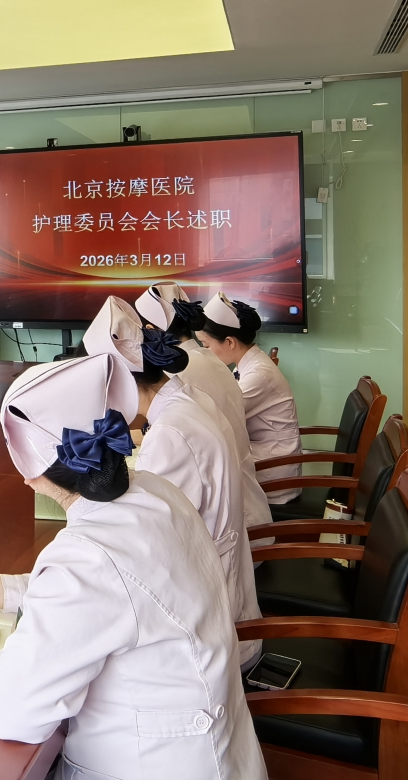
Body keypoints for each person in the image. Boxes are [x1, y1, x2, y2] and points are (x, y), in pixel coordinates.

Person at [0, 351, 266, 779]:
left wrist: (6, 660)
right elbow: (124, 592)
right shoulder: (156, 492)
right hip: (220, 756)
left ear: (29, 476)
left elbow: (14, 714)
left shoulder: (86, 557)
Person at [85, 297, 262, 667]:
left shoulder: (170, 431)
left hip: (207, 630)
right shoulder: (186, 398)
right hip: (214, 589)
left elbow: (146, 545)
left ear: (119, 383)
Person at [136, 283, 273, 545]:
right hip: (243, 508)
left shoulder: (179, 376)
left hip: (233, 529)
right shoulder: (208, 358)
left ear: (151, 331)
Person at [198, 292, 302, 503]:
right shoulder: (249, 363)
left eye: (206, 346)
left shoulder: (258, 374)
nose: (204, 352)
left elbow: (219, 417)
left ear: (230, 342)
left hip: (273, 471)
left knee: (201, 474)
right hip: (265, 455)